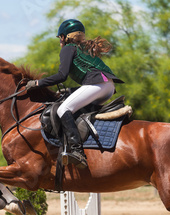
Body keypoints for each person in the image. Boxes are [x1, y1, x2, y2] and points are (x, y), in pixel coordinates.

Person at [26, 19, 124, 169]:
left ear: (65, 37)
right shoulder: (83, 48)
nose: (60, 41)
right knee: (74, 107)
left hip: (98, 85)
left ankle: (78, 152)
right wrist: (71, 91)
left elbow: (61, 75)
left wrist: (38, 83)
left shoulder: (68, 48)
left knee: (63, 109)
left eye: (60, 38)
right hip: (107, 86)